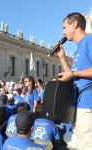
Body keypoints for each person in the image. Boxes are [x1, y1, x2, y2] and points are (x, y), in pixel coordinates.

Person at [57, 12, 92, 149]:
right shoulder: (78, 49)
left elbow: (73, 74)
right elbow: (72, 75)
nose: (63, 31)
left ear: (75, 24)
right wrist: (61, 57)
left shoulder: (89, 40)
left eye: (65, 27)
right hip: (78, 103)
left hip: (87, 104)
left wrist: (73, 73)